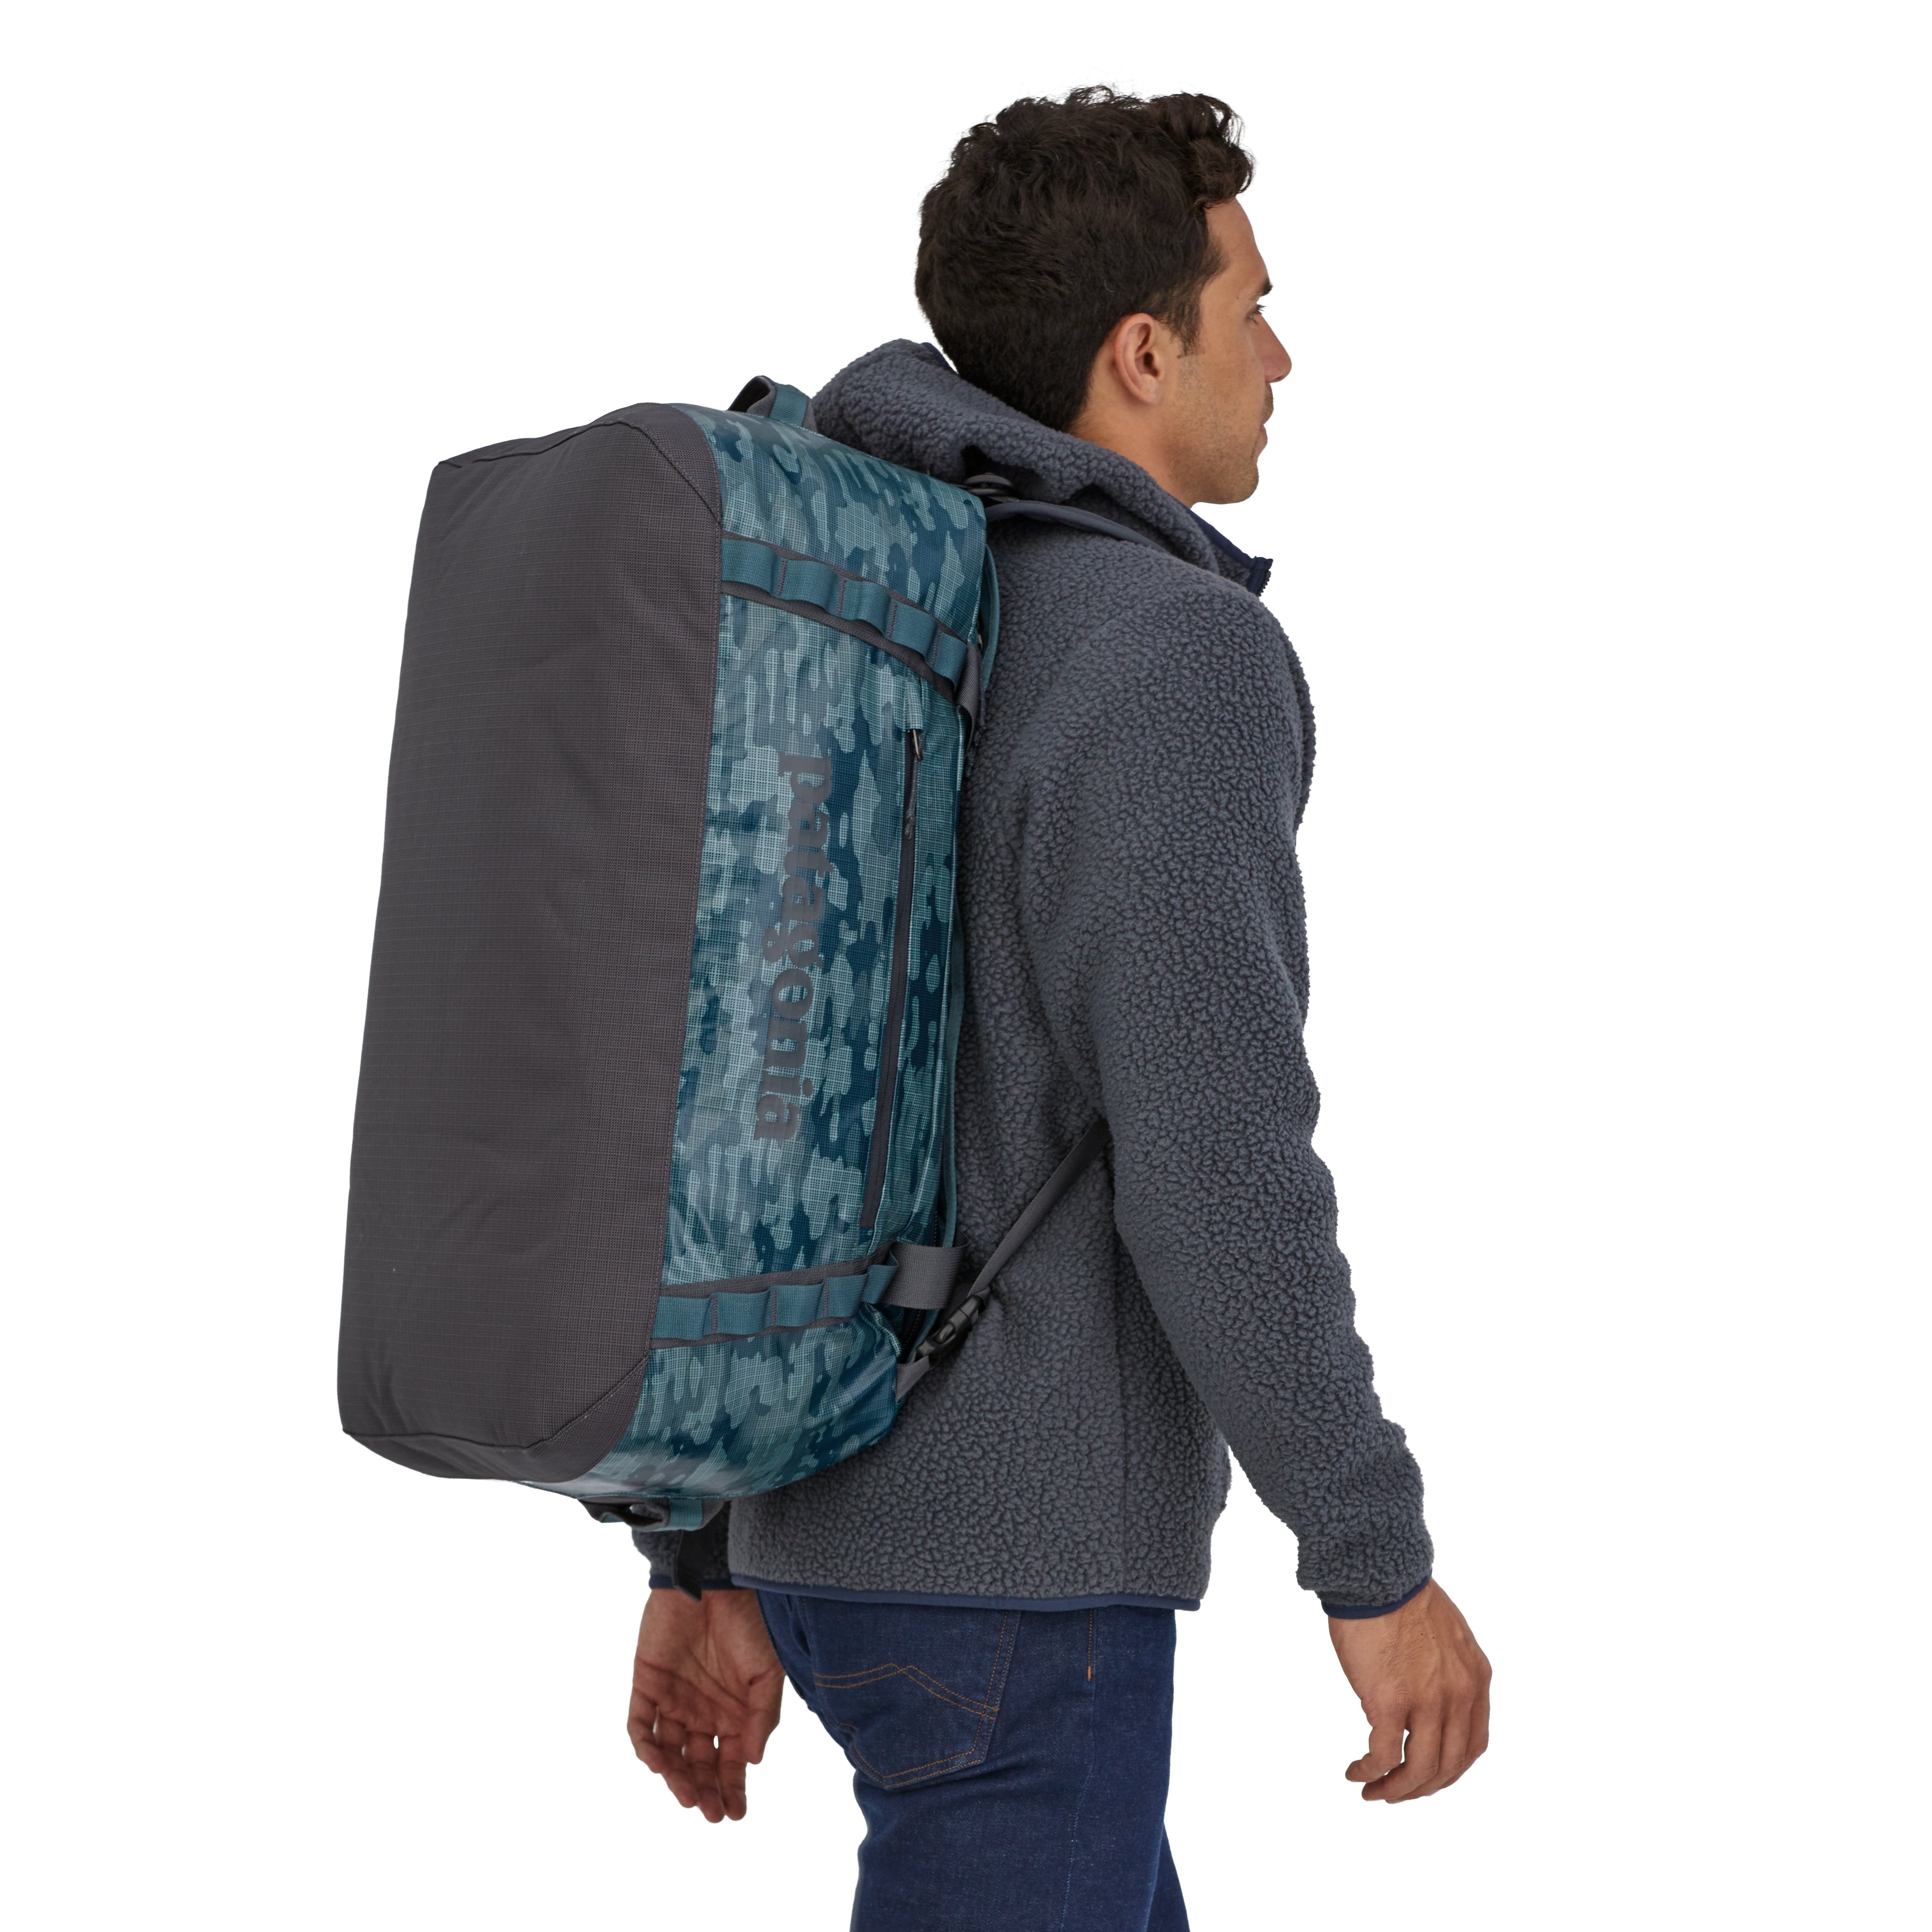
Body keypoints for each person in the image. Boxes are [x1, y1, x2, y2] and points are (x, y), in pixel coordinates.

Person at [627, 88, 1491, 1930]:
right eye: (1251, 305)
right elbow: (1216, 1155)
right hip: (1014, 1585)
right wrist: (1372, 1554)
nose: (1281, 356)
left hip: (817, 1523)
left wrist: (697, 1549)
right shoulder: (1170, 653)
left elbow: (714, 1075)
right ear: (1140, 350)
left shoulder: (861, 610)